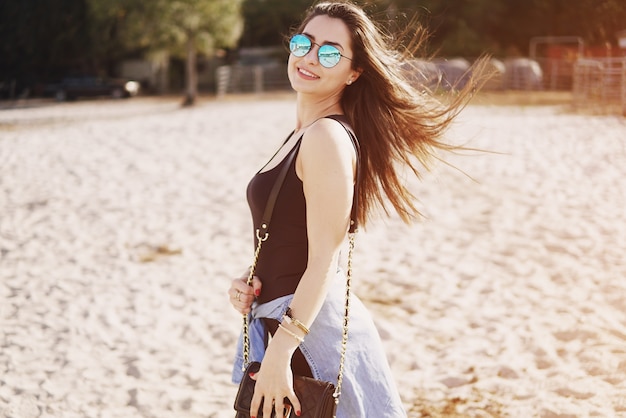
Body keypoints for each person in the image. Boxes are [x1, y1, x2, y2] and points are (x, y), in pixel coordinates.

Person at [228, 2, 484, 417]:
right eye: (304, 42)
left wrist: (281, 351)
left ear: (353, 72)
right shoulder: (303, 133)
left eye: (330, 52)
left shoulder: (327, 136)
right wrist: (251, 278)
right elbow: (290, 234)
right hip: (282, 321)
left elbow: (325, 260)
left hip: (304, 335)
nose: (311, 57)